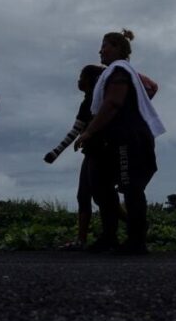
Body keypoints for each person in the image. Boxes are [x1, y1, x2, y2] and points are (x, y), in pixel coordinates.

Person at [75, 30, 165, 254]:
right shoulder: (116, 73)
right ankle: (109, 237)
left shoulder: (120, 71)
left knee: (131, 188)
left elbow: (113, 103)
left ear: (117, 48)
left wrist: (88, 132)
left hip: (129, 138)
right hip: (113, 140)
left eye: (104, 46)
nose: (100, 51)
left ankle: (136, 240)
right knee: (102, 187)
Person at [44, 64, 107, 250]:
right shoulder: (87, 101)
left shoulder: (98, 100)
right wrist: (56, 152)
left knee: (102, 197)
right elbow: (76, 129)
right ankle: (82, 240)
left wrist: (57, 151)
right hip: (92, 152)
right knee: (85, 195)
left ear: (92, 80)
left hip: (102, 151)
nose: (79, 80)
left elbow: (78, 131)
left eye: (82, 77)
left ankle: (134, 227)